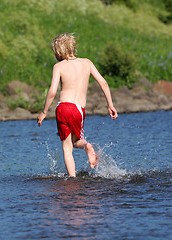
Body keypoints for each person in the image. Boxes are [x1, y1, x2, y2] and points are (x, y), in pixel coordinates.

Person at [37, 33, 118, 177]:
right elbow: (103, 83)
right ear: (73, 47)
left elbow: (52, 91)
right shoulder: (87, 62)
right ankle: (86, 146)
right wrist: (110, 105)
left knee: (67, 147)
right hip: (78, 110)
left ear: (59, 51)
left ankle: (72, 179)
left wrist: (44, 112)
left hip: (62, 108)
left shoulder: (58, 66)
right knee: (77, 141)